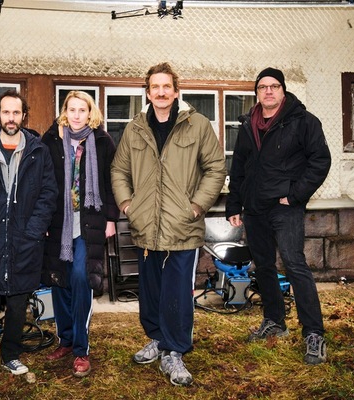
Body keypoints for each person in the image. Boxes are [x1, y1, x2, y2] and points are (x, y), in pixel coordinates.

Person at [111, 62, 227, 386]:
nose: (161, 92)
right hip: (146, 227)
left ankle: (174, 352)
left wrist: (195, 207)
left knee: (176, 293)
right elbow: (119, 170)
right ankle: (157, 340)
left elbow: (215, 169)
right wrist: (128, 205)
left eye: (166, 86)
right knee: (150, 292)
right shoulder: (135, 129)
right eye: (154, 87)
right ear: (147, 92)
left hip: (182, 229)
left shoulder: (198, 125)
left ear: (176, 90)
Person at [225, 67, 331, 365]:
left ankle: (314, 334)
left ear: (283, 90)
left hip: (285, 208)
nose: (268, 91)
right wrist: (235, 204)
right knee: (264, 267)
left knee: (295, 265)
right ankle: (275, 321)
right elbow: (240, 166)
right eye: (262, 87)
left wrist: (295, 195)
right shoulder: (249, 125)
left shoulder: (303, 121)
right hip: (255, 209)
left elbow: (320, 161)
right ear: (256, 93)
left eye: (274, 86)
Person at [0, 90, 58, 384]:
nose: (11, 118)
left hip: (25, 239)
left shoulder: (38, 150)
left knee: (19, 304)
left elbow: (48, 194)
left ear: (23, 116)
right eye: (6, 112)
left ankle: (11, 356)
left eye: (16, 113)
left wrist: (33, 232)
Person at [41, 91, 119, 378]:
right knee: (59, 280)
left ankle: (81, 350)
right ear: (65, 111)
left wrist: (111, 218)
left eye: (81, 109)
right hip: (58, 223)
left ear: (90, 113)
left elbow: (111, 182)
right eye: (71, 109)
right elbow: (42, 182)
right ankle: (66, 339)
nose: (76, 115)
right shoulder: (50, 140)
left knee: (80, 277)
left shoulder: (102, 141)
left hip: (90, 221)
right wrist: (43, 218)